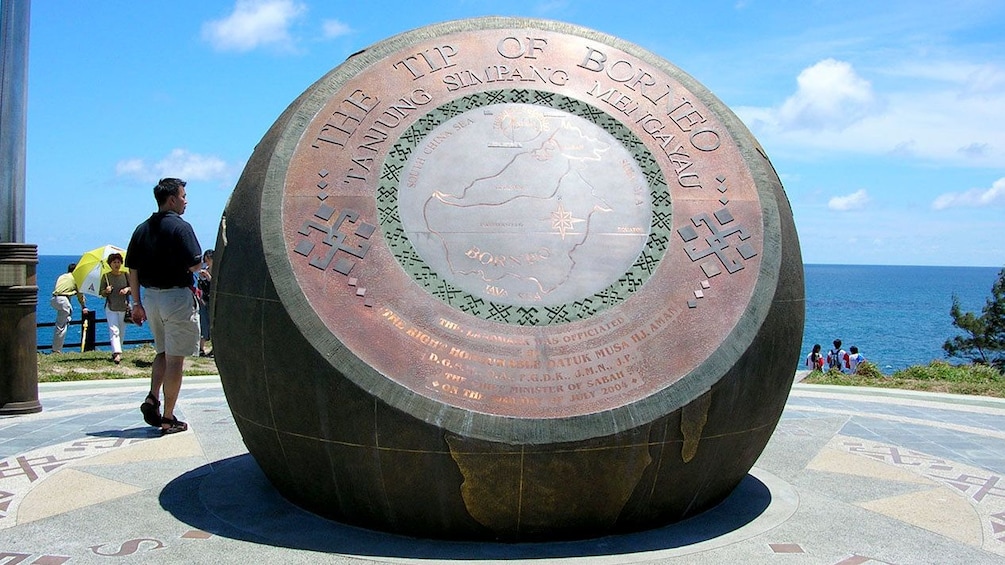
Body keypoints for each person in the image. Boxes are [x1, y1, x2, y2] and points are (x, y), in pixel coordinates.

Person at [126, 178, 202, 435]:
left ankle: (153, 398)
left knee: (162, 351)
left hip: (150, 298)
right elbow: (195, 265)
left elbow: (132, 269)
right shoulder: (181, 228)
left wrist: (136, 303)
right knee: (175, 360)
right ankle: (168, 418)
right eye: (183, 196)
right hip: (176, 298)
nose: (186, 200)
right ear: (172, 199)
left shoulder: (141, 229)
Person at [99, 252, 131, 364]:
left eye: (118, 262)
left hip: (123, 306)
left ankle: (117, 350)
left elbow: (132, 288)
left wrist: (127, 289)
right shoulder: (106, 276)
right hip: (111, 306)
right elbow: (101, 293)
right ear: (110, 264)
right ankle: (117, 353)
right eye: (114, 262)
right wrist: (106, 291)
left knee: (121, 331)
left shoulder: (126, 274)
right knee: (114, 330)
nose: (117, 264)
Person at [50, 263, 88, 353]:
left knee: (60, 323)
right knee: (61, 326)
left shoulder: (63, 276)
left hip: (54, 299)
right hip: (63, 301)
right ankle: (56, 350)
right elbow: (80, 295)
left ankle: (56, 348)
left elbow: (64, 289)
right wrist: (84, 307)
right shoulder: (76, 278)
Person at [196, 249, 214, 357]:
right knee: (203, 323)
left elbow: (215, 284)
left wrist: (208, 276)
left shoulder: (216, 270)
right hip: (204, 300)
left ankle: (213, 348)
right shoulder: (205, 269)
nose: (206, 262)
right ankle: (201, 348)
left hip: (212, 300)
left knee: (212, 325)